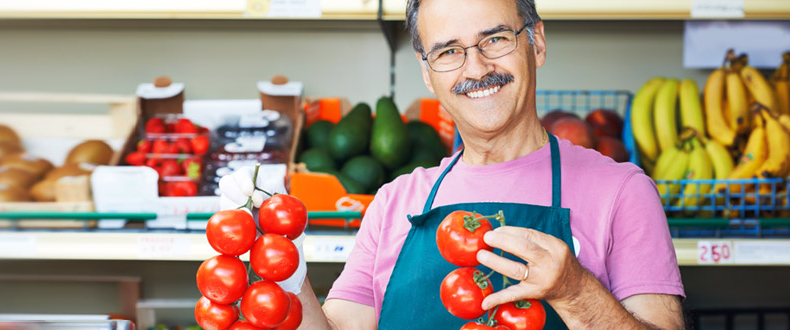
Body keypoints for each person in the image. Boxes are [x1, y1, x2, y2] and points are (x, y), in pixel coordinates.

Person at [219, 0, 685, 328]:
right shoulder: (396, 200)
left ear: (536, 43)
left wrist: (575, 291)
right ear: (427, 71)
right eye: (448, 51)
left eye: (496, 39)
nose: (476, 68)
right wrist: (288, 268)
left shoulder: (622, 190)